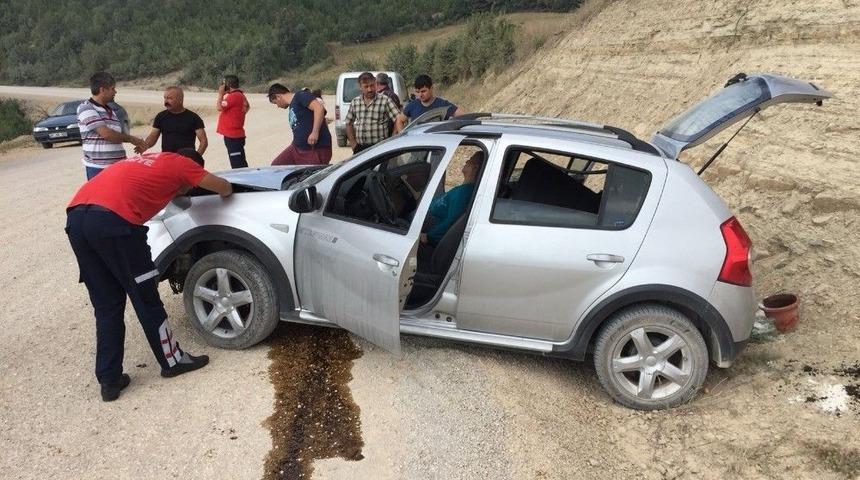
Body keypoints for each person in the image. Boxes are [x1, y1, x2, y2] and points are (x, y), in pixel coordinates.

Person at [65, 148, 233, 401]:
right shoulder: (182, 164)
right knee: (146, 298)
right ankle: (173, 362)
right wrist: (202, 186)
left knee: (107, 306)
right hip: (115, 224)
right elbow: (223, 187)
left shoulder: (152, 159)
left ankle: (109, 381)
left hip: (77, 218)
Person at [77, 72, 146, 180]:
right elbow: (107, 134)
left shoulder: (110, 110)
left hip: (119, 166)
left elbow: (116, 136)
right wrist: (132, 139)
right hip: (99, 169)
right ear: (102, 90)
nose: (115, 92)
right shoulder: (86, 108)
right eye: (112, 88)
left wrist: (140, 143)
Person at [421, 151, 483, 245]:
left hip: (429, 223)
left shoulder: (464, 193)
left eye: (470, 161)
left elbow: (451, 221)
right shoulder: (465, 189)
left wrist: (429, 236)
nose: (466, 162)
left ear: (475, 167)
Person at [267, 83, 333, 165]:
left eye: (276, 102)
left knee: (310, 176)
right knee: (277, 166)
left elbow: (319, 108)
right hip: (297, 148)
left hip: (314, 149)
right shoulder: (293, 105)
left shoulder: (300, 96)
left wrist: (315, 132)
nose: (278, 106)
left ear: (278, 96)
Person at [137, 86, 207, 154]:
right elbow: (153, 136)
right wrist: (144, 145)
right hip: (167, 159)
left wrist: (196, 157)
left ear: (180, 100)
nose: (166, 101)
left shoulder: (193, 118)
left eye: (170, 98)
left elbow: (203, 141)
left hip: (186, 160)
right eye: (165, 98)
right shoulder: (161, 116)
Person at [345, 72, 402, 154]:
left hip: (380, 148)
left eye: (372, 85)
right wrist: (353, 144)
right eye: (366, 86)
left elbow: (398, 118)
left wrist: (393, 137)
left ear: (375, 83)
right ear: (360, 87)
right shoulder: (355, 102)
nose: (370, 89)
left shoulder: (385, 100)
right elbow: (348, 123)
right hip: (360, 148)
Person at [395, 74, 467, 131]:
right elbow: (399, 120)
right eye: (417, 92)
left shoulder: (442, 104)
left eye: (423, 91)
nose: (420, 95)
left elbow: (464, 115)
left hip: (437, 146)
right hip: (418, 146)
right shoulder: (412, 106)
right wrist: (404, 137)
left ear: (431, 88)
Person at [216, 74, 250, 168]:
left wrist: (220, 94)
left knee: (237, 164)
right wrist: (237, 116)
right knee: (240, 161)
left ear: (228, 85)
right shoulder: (241, 95)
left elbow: (219, 107)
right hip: (236, 134)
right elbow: (247, 106)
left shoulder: (233, 96)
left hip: (232, 136)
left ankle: (242, 181)